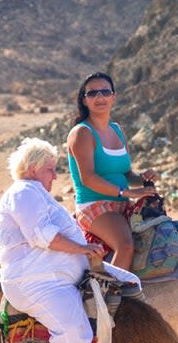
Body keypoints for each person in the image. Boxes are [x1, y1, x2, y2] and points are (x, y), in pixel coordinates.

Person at [0, 137, 103, 343]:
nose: (55, 176)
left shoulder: (36, 194)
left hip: (57, 276)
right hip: (37, 282)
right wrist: (83, 250)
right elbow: (41, 236)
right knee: (72, 328)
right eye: (49, 169)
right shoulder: (24, 192)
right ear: (32, 169)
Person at [66, 71, 159, 270]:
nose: (99, 97)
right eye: (92, 93)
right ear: (84, 100)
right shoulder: (82, 132)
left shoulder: (117, 129)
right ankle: (110, 297)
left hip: (122, 202)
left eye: (105, 92)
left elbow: (127, 174)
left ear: (113, 97)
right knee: (125, 246)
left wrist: (142, 179)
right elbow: (88, 178)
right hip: (95, 205)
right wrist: (126, 193)